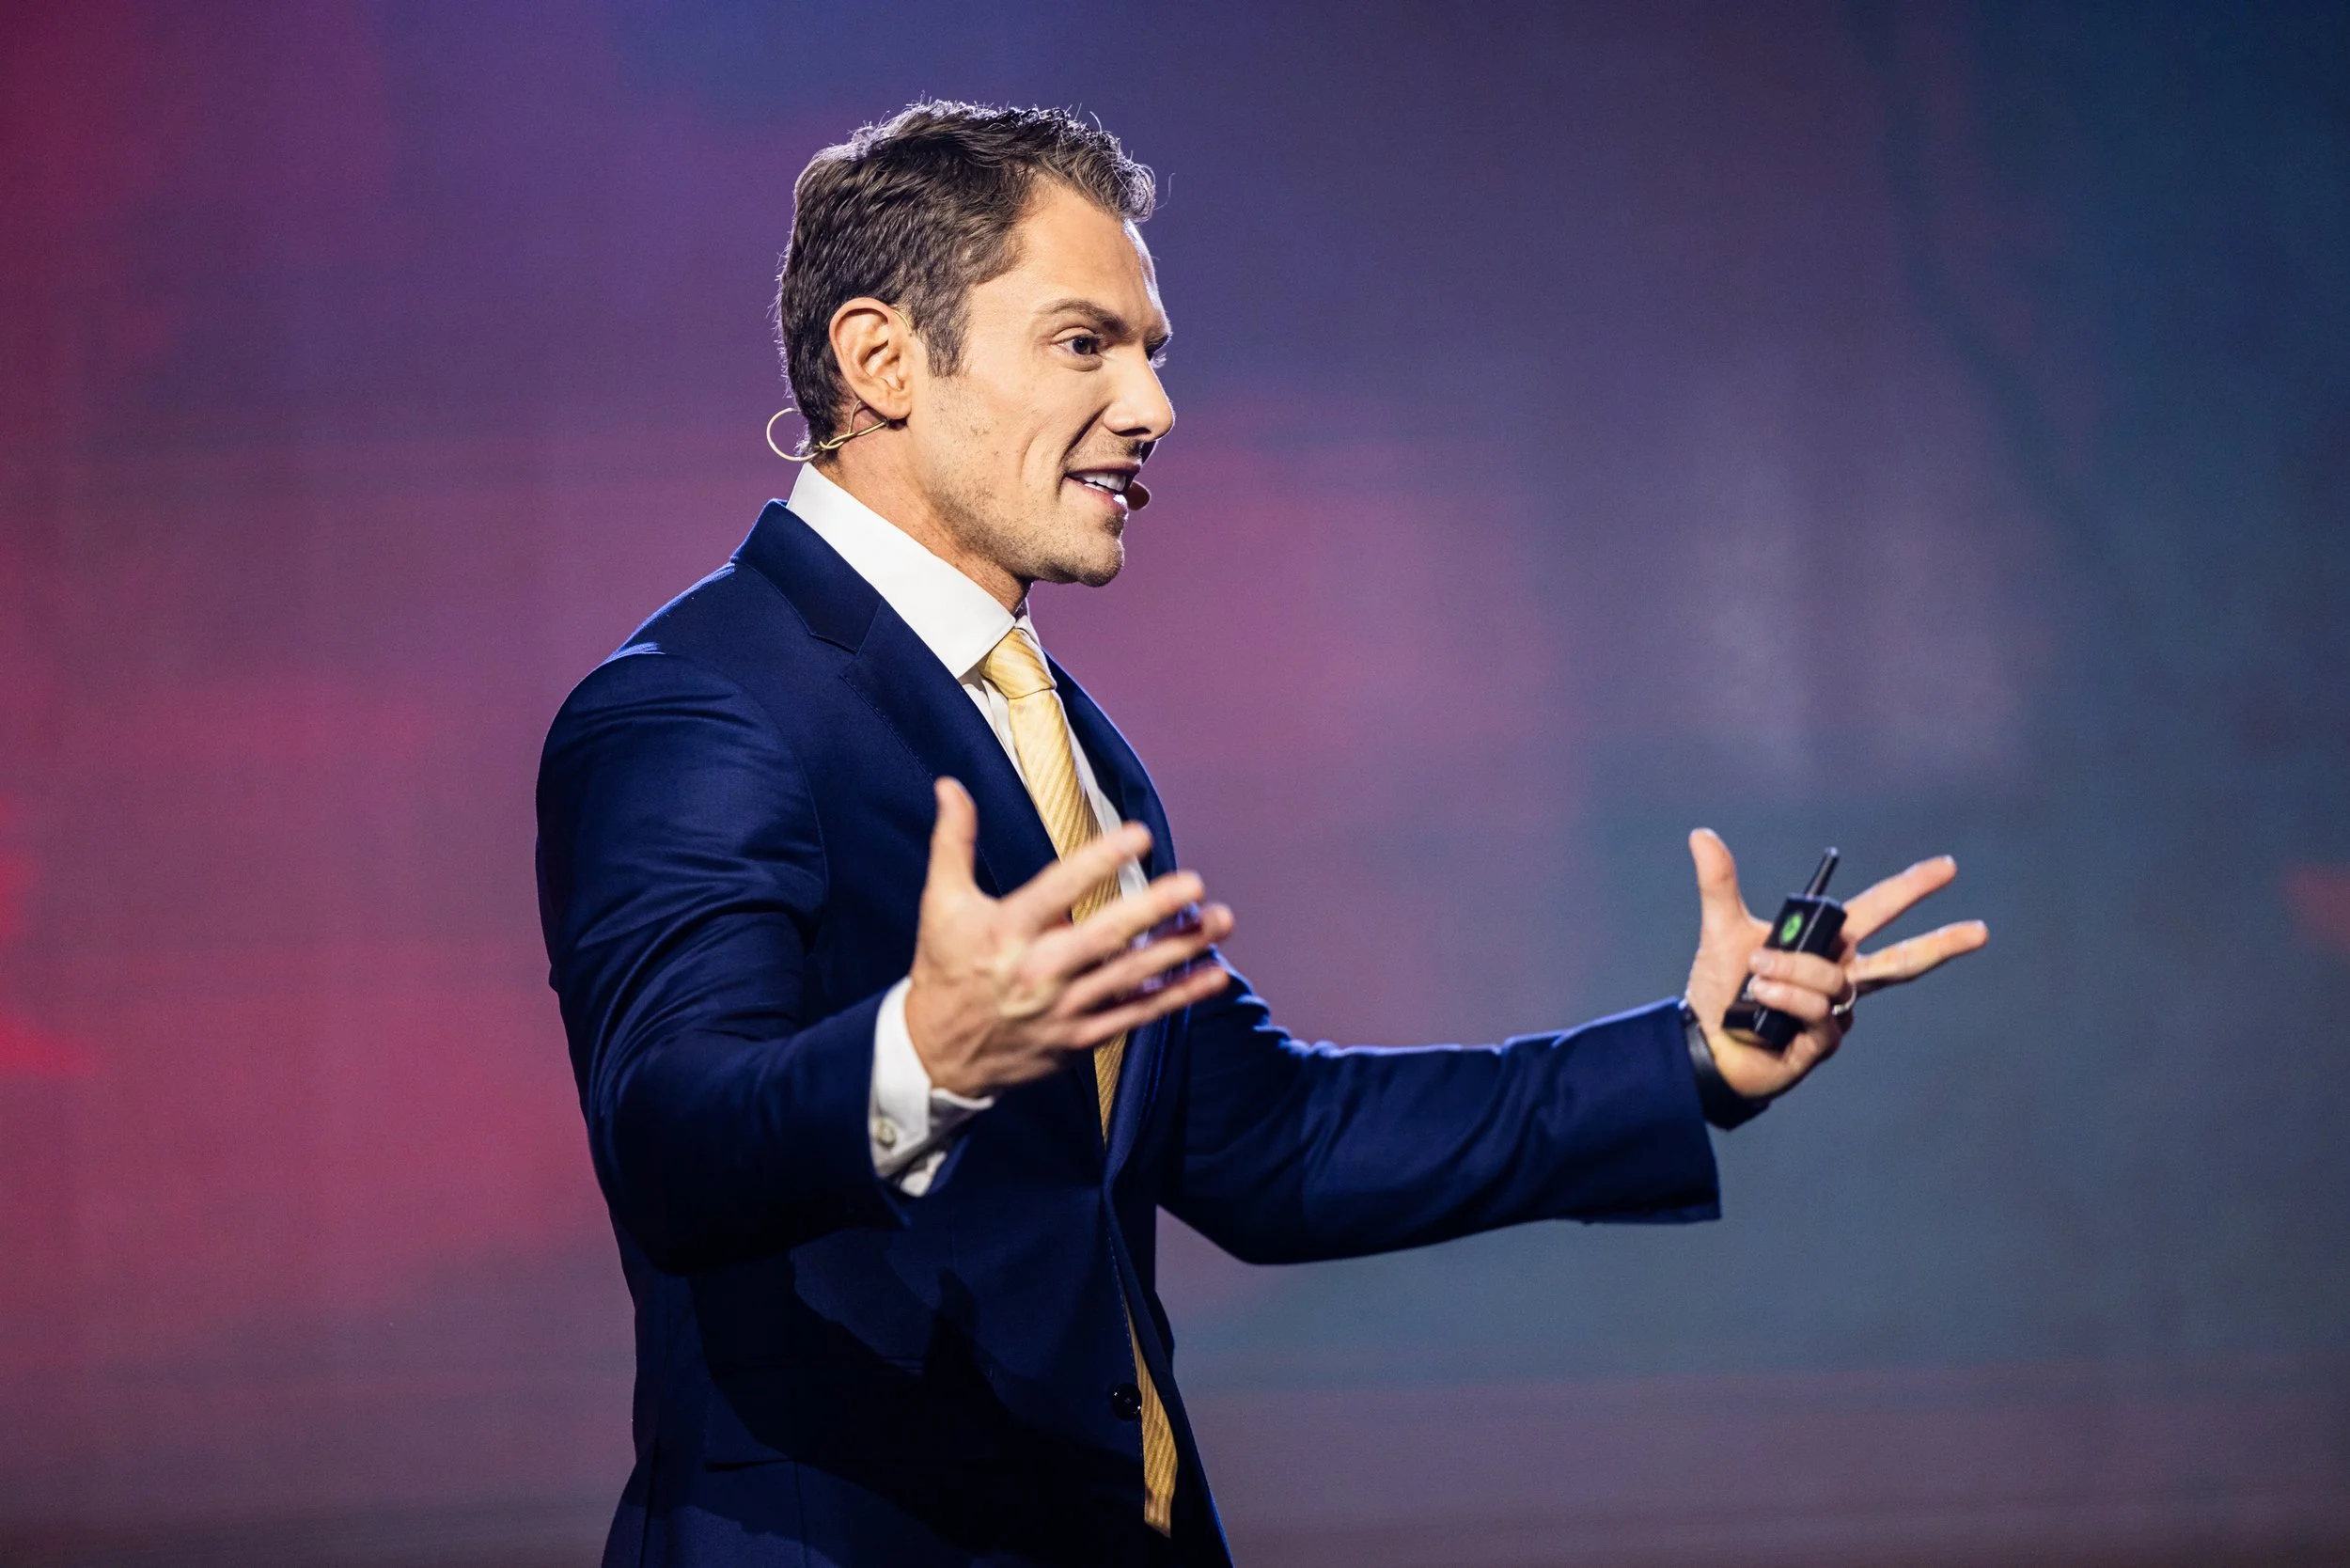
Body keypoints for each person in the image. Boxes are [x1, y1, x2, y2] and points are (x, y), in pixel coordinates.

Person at [534, 100, 1987, 1568]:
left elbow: (1270, 1142)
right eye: (1085, 343)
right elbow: (669, 1139)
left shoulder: (1060, 735)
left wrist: (1689, 1064)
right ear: (883, 360)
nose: (1152, 407)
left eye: (1151, 352)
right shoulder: (700, 703)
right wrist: (922, 1055)